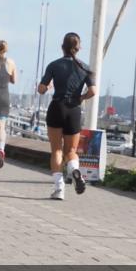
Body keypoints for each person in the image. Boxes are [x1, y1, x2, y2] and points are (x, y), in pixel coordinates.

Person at [37, 33, 95, 200]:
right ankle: (74, 171)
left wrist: (45, 88)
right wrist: (81, 98)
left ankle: (59, 188)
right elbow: (92, 91)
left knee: (56, 150)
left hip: (57, 107)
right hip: (74, 110)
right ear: (78, 48)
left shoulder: (54, 65)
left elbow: (41, 88)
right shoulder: (85, 67)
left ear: (62, 46)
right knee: (71, 150)